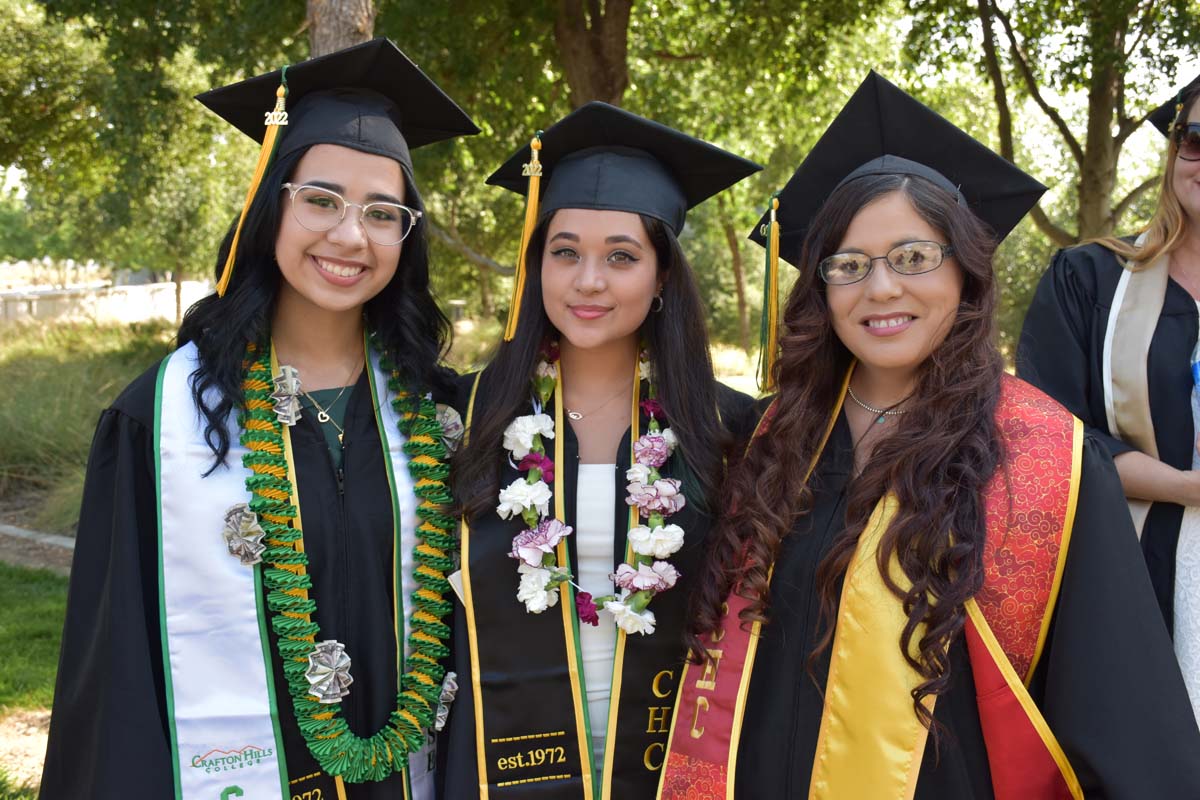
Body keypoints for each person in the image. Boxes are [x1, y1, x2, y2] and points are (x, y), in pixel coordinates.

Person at [658, 72, 1200, 799]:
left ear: (965, 272)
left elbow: (1128, 734)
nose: (881, 289)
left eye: (914, 256)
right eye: (849, 265)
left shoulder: (1048, 462)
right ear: (822, 290)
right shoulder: (769, 442)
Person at [40, 39, 478, 799]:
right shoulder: (165, 418)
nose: (350, 235)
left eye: (383, 212)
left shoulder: (438, 412)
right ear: (270, 202)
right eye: (321, 199)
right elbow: (118, 669)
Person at [440, 102, 760, 798]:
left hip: (672, 766)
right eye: (565, 252)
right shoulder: (467, 418)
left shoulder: (730, 430)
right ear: (538, 266)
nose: (589, 281)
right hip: (496, 770)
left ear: (663, 275)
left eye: (621, 256)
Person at [1018, 73, 1200, 716]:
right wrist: (1187, 487)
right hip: (1130, 573)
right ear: (1175, 150)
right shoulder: (1089, 278)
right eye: (1197, 138)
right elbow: (1051, 434)